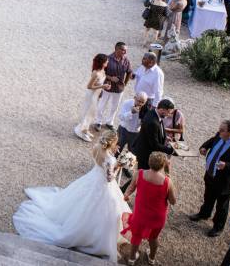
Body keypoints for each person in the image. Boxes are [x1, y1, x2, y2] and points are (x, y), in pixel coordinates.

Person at [13, 129, 131, 262]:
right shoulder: (109, 159)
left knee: (81, 204)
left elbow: (101, 162)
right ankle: (94, 237)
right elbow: (109, 178)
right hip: (103, 186)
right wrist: (118, 166)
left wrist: (112, 153)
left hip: (93, 179)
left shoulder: (97, 147)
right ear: (112, 142)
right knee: (105, 210)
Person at [190, 119, 230, 236]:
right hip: (210, 175)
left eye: (222, 130)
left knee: (222, 206)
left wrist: (227, 165)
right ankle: (204, 214)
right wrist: (204, 147)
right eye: (219, 129)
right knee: (208, 197)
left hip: (224, 182)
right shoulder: (220, 135)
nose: (219, 132)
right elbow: (211, 141)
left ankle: (218, 227)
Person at [122, 152, 177, 266]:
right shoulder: (167, 181)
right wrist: (168, 174)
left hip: (140, 214)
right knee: (153, 238)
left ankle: (132, 259)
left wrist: (126, 194)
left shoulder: (139, 173)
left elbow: (131, 187)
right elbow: (173, 201)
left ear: (149, 162)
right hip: (157, 217)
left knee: (136, 236)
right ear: (162, 165)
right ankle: (151, 258)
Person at [94, 42, 133, 129]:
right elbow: (101, 72)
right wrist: (110, 78)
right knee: (102, 105)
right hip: (107, 87)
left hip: (119, 89)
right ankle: (98, 122)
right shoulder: (108, 59)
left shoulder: (126, 60)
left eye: (126, 50)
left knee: (115, 107)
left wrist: (125, 84)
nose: (125, 52)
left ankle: (110, 122)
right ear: (116, 49)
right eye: (123, 50)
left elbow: (129, 72)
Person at [74, 53, 110, 142]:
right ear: (102, 62)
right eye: (106, 61)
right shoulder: (96, 73)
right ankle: (82, 131)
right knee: (88, 113)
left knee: (92, 113)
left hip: (97, 94)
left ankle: (85, 129)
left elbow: (99, 83)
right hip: (91, 95)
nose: (108, 62)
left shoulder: (103, 71)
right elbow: (89, 86)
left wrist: (103, 88)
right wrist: (102, 86)